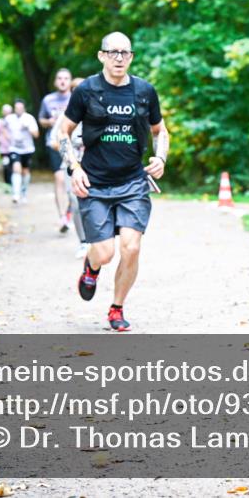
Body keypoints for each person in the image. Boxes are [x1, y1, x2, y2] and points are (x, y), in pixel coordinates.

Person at [57, 32, 169, 332]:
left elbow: (161, 131)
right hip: (94, 184)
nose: (119, 58)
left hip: (133, 182)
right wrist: (75, 167)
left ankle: (117, 308)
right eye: (113, 52)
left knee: (131, 248)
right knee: (104, 253)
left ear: (131, 57)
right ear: (101, 56)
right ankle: (91, 267)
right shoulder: (87, 91)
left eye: (125, 53)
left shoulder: (145, 91)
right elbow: (63, 132)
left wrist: (161, 157)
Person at [50, 77, 90, 258]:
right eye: (75, 89)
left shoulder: (98, 112)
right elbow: (54, 140)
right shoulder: (66, 116)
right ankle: (83, 242)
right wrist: (70, 147)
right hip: (71, 165)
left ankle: (97, 239)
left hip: (95, 165)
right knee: (75, 202)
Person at [39, 69, 73, 232]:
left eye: (66, 78)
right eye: (59, 78)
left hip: (73, 144)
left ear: (70, 81)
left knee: (73, 181)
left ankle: (70, 212)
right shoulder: (48, 100)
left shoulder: (76, 98)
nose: (62, 81)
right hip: (54, 143)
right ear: (55, 81)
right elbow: (41, 120)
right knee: (59, 178)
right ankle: (62, 217)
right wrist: (49, 121)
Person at [5, 99, 40, 204]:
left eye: (20, 108)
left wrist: (28, 128)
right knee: (16, 169)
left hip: (27, 149)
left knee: (25, 171)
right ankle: (16, 194)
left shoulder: (29, 118)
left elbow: (36, 134)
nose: (18, 110)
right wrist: (8, 138)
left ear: (24, 108)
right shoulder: (9, 118)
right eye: (16, 108)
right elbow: (3, 129)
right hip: (14, 148)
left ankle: (24, 192)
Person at [0, 104, 13, 185]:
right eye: (5, 111)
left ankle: (13, 182)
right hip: (3, 149)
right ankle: (7, 183)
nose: (7, 113)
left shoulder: (14, 122)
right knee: (6, 166)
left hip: (14, 148)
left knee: (13, 166)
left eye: (8, 112)